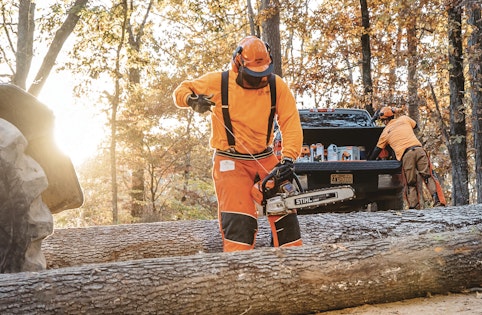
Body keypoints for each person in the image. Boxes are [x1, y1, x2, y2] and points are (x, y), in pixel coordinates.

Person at [172, 36, 303, 252]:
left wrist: (288, 157)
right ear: (238, 63)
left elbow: (290, 121)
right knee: (239, 223)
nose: (259, 78)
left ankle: (292, 266)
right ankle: (238, 275)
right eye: (254, 74)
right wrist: (191, 101)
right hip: (230, 160)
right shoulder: (220, 82)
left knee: (286, 217)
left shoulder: (275, 85)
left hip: (265, 157)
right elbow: (181, 91)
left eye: (263, 73)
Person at [368, 106, 446, 209]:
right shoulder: (404, 119)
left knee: (410, 182)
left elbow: (377, 150)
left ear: (384, 121)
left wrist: (369, 161)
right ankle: (439, 202)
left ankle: (414, 207)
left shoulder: (385, 133)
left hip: (406, 155)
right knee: (428, 176)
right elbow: (416, 125)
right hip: (419, 150)